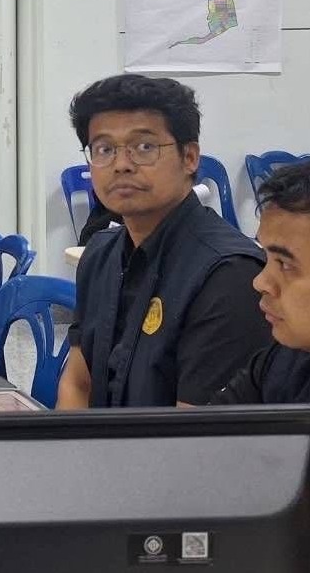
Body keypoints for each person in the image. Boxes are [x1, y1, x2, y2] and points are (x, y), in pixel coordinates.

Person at [57, 74, 267, 409]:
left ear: (190, 157)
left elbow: (196, 430)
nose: (121, 165)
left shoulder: (230, 274)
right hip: (100, 442)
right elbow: (78, 384)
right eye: (104, 149)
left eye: (144, 147)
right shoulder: (99, 254)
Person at [211, 161, 310, 404]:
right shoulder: (283, 359)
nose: (260, 282)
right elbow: (213, 422)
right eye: (266, 257)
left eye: (285, 264)